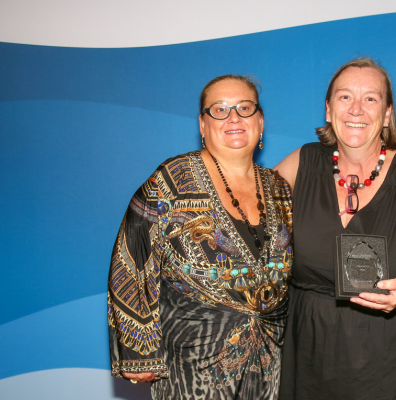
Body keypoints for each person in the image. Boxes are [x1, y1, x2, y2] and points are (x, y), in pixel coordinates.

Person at [275, 58, 396, 400]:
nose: (356, 109)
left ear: (387, 113)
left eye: (370, 99)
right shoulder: (302, 162)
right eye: (345, 97)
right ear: (328, 110)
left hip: (388, 350)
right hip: (307, 344)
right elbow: (247, 217)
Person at [107, 74, 293, 399]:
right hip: (192, 367)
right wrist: (138, 350)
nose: (233, 117)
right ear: (203, 125)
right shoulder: (172, 179)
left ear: (260, 122)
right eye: (219, 109)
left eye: (244, 108)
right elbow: (132, 256)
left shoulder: (279, 189)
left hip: (269, 364)